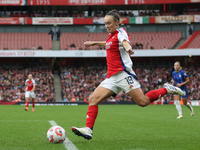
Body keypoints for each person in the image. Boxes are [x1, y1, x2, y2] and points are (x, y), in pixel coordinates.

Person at [71, 9, 185, 140]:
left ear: (117, 22)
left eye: (109, 23)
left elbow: (124, 41)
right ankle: (88, 129)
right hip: (112, 77)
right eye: (105, 23)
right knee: (93, 99)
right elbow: (109, 44)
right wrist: (94, 43)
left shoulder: (120, 33)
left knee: (142, 102)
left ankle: (167, 89)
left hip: (124, 75)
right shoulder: (111, 36)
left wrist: (128, 48)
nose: (107, 26)